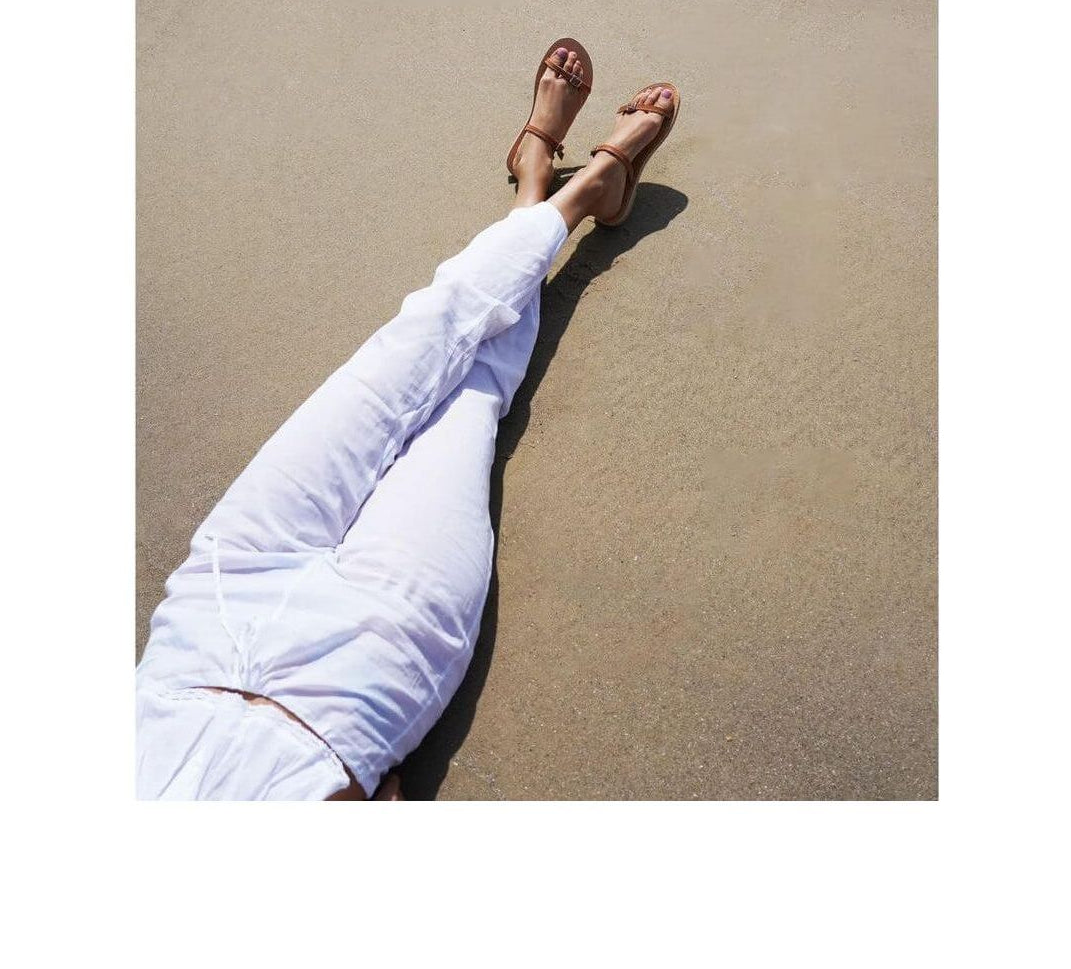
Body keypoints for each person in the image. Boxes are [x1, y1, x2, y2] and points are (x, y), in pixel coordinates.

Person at [136, 40, 681, 800]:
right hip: (359, 675)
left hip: (216, 609)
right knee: (470, 396)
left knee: (420, 337)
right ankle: (575, 190)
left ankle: (554, 195)